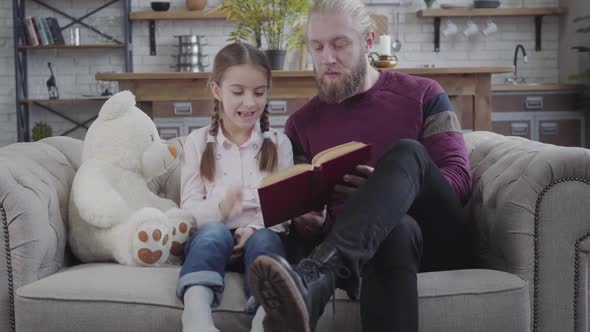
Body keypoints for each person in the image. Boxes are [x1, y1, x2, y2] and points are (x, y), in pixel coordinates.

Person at [247, 1, 473, 332]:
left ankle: (318, 274)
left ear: (368, 42)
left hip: (436, 240)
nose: (327, 58)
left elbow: (459, 179)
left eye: (339, 44)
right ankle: (326, 269)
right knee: (395, 230)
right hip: (371, 252)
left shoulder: (426, 95)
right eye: (317, 46)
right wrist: (303, 219)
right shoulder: (300, 124)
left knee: (408, 154)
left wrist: (388, 190)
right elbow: (297, 213)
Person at [178, 42, 293, 332]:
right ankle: (195, 314)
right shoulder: (196, 142)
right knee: (214, 233)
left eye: (259, 92)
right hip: (212, 237)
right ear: (217, 90)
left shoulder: (279, 144)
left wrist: (252, 228)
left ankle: (264, 318)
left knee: (266, 240)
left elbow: (285, 212)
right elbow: (188, 211)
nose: (250, 103)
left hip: (258, 236)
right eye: (238, 92)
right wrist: (220, 209)